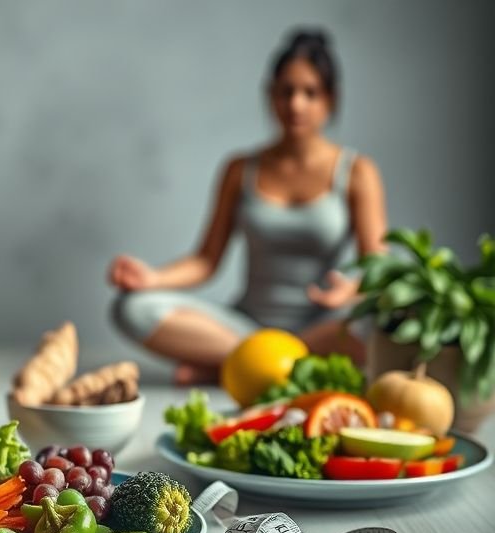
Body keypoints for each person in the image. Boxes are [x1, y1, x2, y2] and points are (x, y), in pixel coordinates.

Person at [108, 29, 388, 385]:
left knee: (387, 318)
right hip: (245, 326)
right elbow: (206, 259)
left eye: (310, 93)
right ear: (270, 96)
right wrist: (152, 278)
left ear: (330, 100)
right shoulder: (240, 169)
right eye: (285, 91)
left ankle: (241, 367)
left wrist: (352, 289)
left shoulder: (357, 171)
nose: (296, 104)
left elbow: (378, 267)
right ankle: (272, 365)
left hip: (321, 329)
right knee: (131, 308)